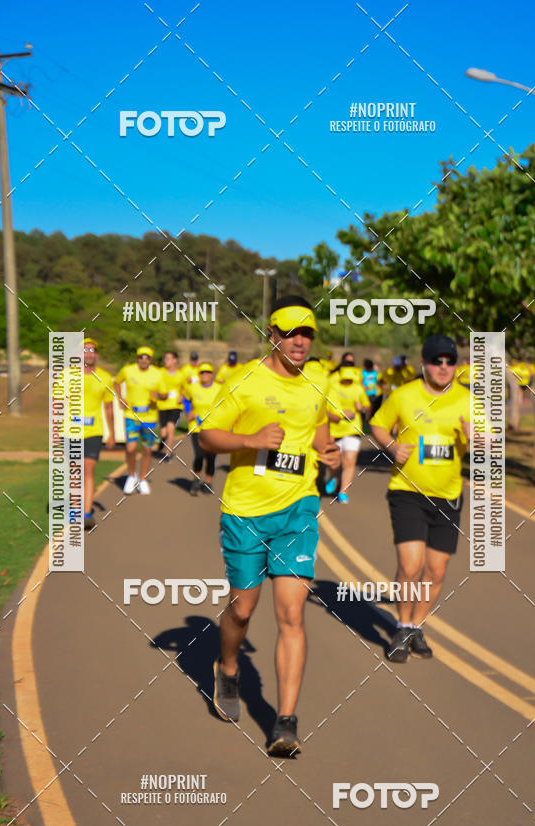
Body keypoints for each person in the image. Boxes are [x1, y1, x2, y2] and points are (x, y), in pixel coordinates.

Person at [199, 295, 340, 756]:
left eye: (307, 334)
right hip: (245, 510)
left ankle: (285, 722)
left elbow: (318, 428)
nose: (299, 342)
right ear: (272, 335)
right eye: (290, 333)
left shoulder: (318, 381)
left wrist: (328, 452)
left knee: (292, 613)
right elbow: (207, 435)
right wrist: (251, 439)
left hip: (298, 509)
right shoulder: (244, 380)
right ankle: (228, 668)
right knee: (242, 609)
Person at [370, 334, 471, 663]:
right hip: (407, 492)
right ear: (424, 363)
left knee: (436, 570)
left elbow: (488, 442)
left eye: (449, 361)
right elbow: (378, 424)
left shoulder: (468, 400)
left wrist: (477, 439)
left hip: (448, 496)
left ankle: (417, 626)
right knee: (411, 565)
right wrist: (391, 446)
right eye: (436, 361)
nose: (443, 367)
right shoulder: (404, 395)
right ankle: (402, 626)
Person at [56, 337, 115, 530]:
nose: (88, 354)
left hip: (93, 431)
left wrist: (112, 433)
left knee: (88, 469)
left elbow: (108, 408)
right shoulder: (66, 375)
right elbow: (57, 404)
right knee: (75, 471)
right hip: (69, 430)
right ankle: (75, 510)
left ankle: (86, 514)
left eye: (92, 350)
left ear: (96, 355)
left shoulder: (105, 377)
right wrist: (55, 430)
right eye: (85, 350)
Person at [114, 346, 162, 495]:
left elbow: (165, 393)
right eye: (141, 357)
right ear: (137, 358)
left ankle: (142, 479)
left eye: (147, 357)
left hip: (150, 417)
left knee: (147, 449)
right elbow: (116, 382)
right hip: (131, 415)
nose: (144, 360)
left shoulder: (158, 374)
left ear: (151, 359)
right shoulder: (128, 370)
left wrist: (158, 396)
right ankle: (131, 476)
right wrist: (120, 398)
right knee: (131, 448)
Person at [324, 367, 370, 503]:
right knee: (334, 462)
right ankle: (333, 476)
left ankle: (343, 492)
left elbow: (367, 406)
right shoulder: (333, 388)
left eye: (350, 379)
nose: (348, 382)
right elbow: (327, 410)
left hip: (353, 430)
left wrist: (362, 408)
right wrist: (342, 414)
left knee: (349, 461)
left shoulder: (358, 389)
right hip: (335, 430)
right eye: (345, 379)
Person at [183, 363, 221, 495]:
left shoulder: (219, 388)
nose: (205, 375)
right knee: (199, 455)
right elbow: (186, 400)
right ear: (199, 375)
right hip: (196, 427)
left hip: (213, 427)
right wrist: (188, 412)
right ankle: (196, 480)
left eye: (208, 372)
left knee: (211, 457)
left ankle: (208, 482)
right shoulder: (192, 388)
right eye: (202, 372)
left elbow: (226, 403)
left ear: (212, 374)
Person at [157, 351, 183, 460]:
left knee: (170, 429)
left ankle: (168, 454)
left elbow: (186, 388)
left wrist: (183, 396)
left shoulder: (181, 375)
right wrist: (158, 394)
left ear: (174, 360)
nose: (165, 360)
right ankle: (162, 441)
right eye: (165, 358)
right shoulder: (160, 372)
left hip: (175, 406)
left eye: (168, 358)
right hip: (163, 405)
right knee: (163, 433)